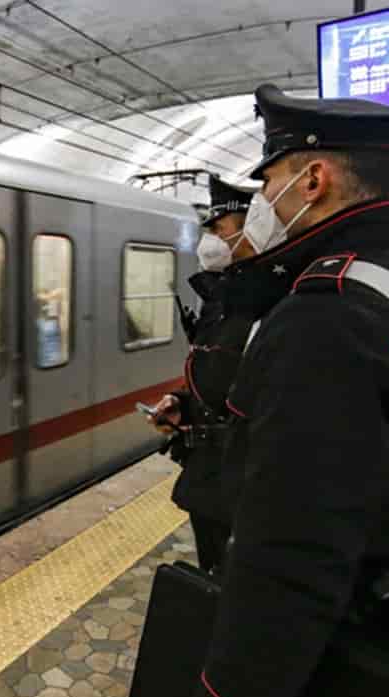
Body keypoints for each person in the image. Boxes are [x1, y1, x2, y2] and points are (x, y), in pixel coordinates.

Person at [190, 85, 389, 697]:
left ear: (313, 180)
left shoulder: (325, 318)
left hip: (342, 644)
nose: (263, 200)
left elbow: (291, 556)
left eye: (269, 182)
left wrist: (230, 696)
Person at [145, 174, 256, 574]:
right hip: (212, 478)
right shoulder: (220, 298)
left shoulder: (274, 303)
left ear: (254, 227)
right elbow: (218, 373)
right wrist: (181, 402)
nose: (209, 239)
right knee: (215, 574)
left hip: (249, 484)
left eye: (219, 228)